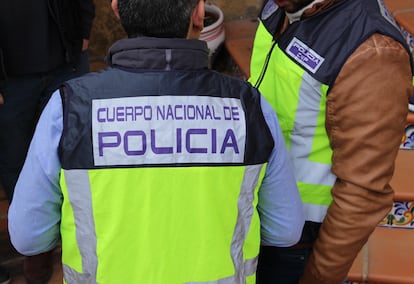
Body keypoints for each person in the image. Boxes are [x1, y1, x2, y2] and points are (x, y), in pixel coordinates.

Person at [8, 0, 305, 283]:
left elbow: (29, 235)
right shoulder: (250, 106)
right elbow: (285, 230)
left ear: (117, 11)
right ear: (199, 13)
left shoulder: (69, 107)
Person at [248, 0, 414, 283]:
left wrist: (318, 277)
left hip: (294, 248)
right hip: (256, 215)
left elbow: (363, 193)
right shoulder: (283, 6)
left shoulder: (372, 52)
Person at [0, 0, 95, 283]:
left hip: (66, 63)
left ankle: (69, 238)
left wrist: (85, 29)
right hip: (11, 82)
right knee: (14, 161)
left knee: (76, 155)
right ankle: (35, 253)